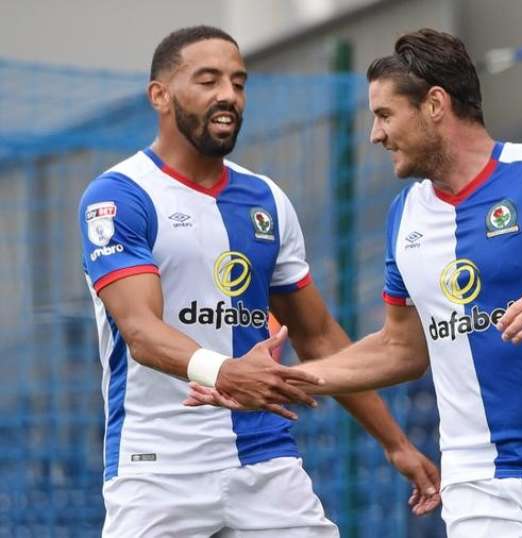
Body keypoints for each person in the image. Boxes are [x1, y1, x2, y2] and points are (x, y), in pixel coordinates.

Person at [189, 28, 522, 537]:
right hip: (477, 479)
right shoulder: (405, 216)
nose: (375, 135)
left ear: (434, 105)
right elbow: (400, 348)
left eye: (384, 115)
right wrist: (279, 381)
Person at [78, 25, 439, 537]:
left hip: (264, 461)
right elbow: (140, 332)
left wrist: (394, 442)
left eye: (238, 82)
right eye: (208, 81)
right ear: (159, 95)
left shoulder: (266, 199)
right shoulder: (119, 195)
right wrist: (224, 372)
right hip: (157, 467)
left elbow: (316, 335)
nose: (227, 94)